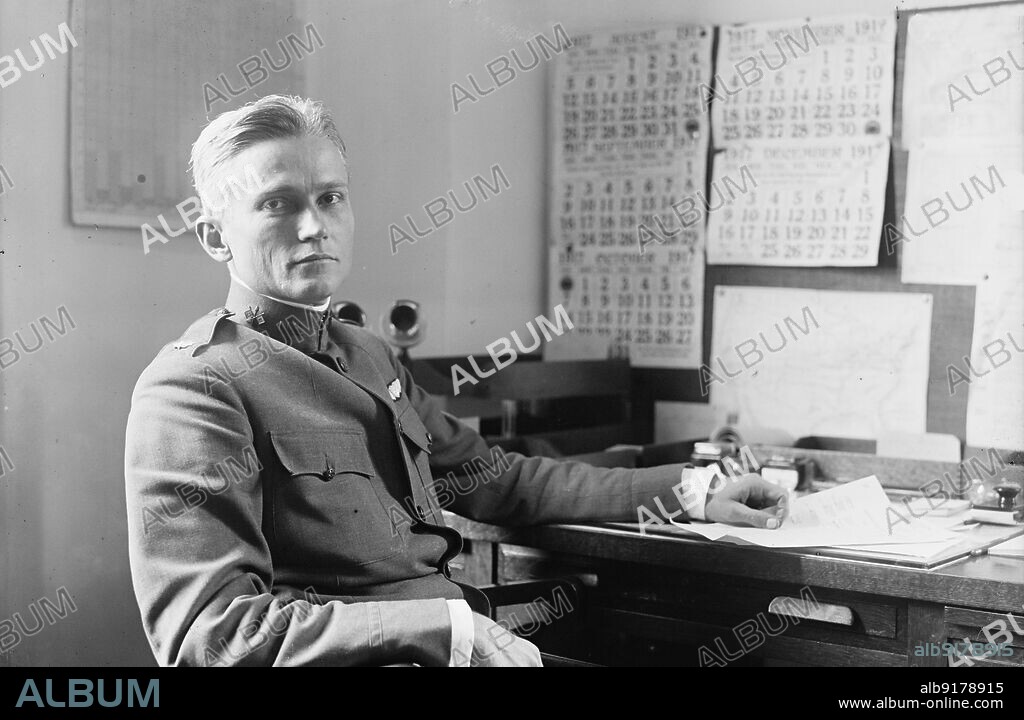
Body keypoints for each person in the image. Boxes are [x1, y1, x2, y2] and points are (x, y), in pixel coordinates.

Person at [124, 94, 788, 667]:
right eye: (278, 204)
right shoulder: (196, 389)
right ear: (216, 238)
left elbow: (498, 478)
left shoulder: (368, 356)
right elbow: (212, 639)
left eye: (330, 198)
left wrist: (693, 492)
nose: (314, 227)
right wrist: (443, 627)